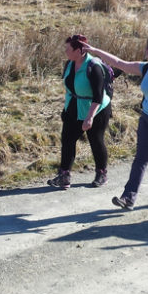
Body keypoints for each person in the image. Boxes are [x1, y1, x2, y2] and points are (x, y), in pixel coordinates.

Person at [83, 36, 148, 209]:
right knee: (140, 159)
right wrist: (94, 51)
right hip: (147, 120)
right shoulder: (145, 68)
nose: (146, 51)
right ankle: (128, 197)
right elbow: (118, 62)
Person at [47, 34, 113, 189]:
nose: (65, 51)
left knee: (96, 140)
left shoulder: (94, 66)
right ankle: (64, 176)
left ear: (80, 50)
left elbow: (97, 96)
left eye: (68, 49)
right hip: (75, 106)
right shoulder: (69, 64)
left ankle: (101, 173)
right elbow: (70, 88)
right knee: (67, 139)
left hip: (97, 109)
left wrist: (89, 118)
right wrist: (66, 109)